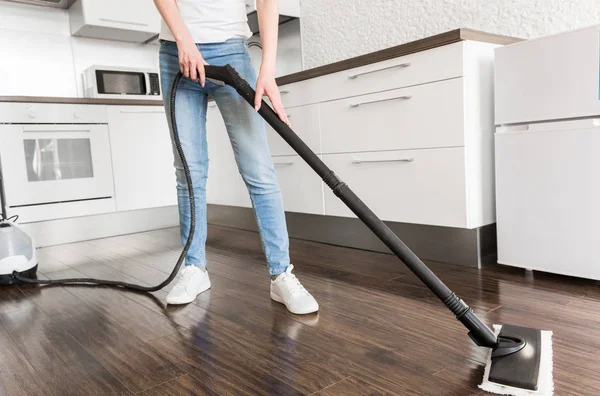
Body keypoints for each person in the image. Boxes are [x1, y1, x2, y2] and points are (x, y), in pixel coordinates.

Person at [153, 0, 318, 315]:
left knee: (259, 171)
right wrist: (184, 42)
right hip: (176, 53)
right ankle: (195, 269)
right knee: (189, 170)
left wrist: (267, 67)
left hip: (231, 51)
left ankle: (281, 273)